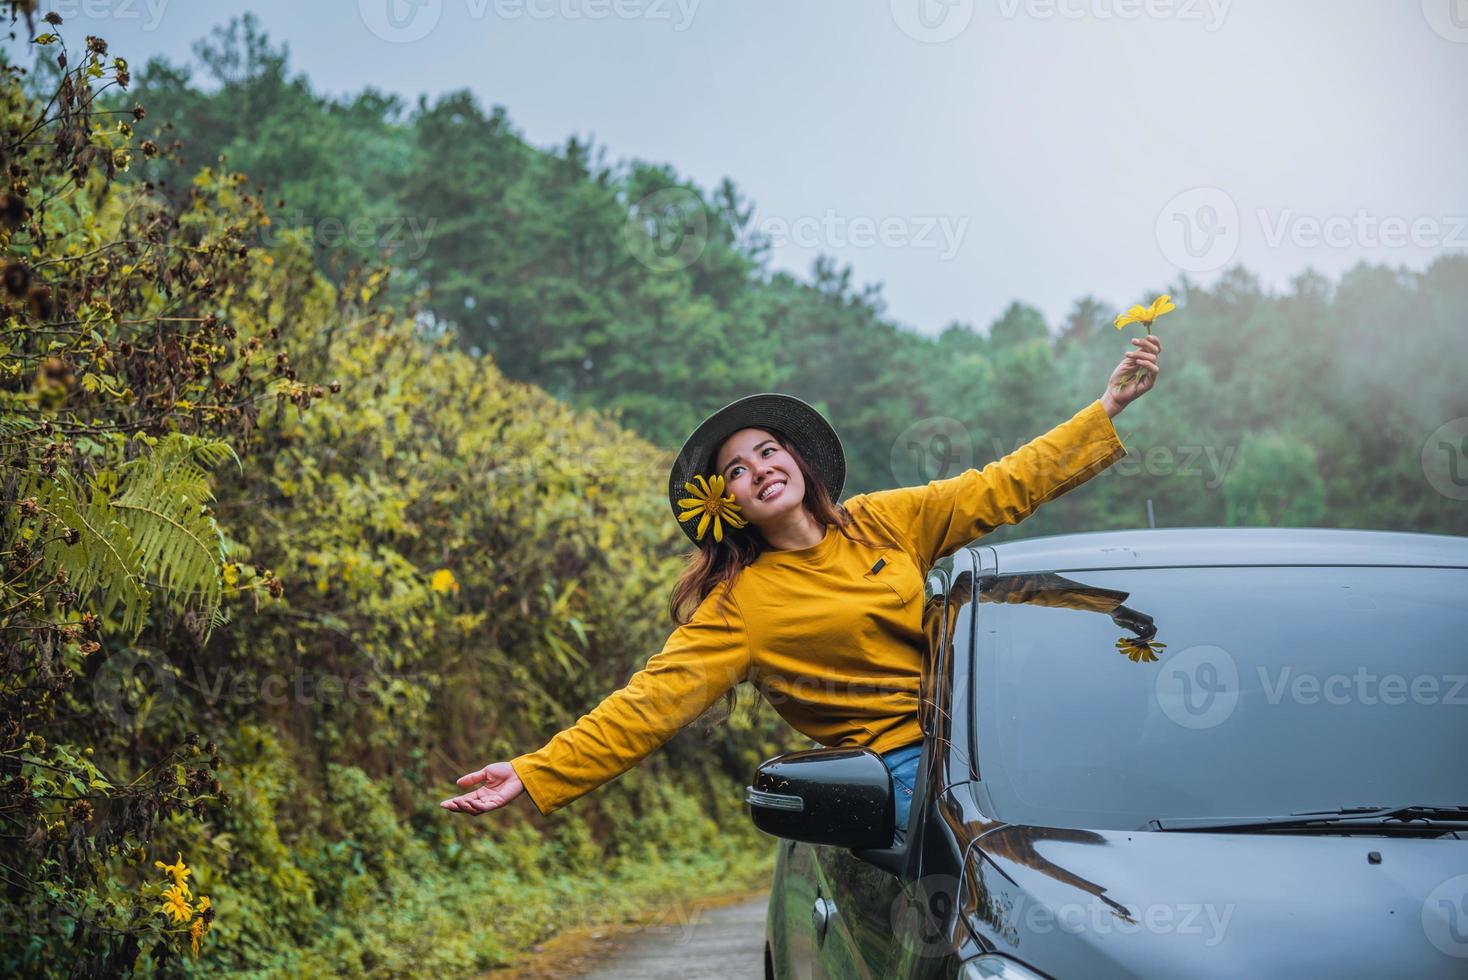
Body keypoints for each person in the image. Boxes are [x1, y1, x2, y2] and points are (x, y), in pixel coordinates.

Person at [440, 334, 1163, 847]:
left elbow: (1000, 486)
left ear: (796, 460)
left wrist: (1103, 412)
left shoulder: (885, 521)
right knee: (995, 880)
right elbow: (647, 706)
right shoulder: (739, 607)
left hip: (999, 739)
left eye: (767, 450)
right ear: (729, 505)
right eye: (736, 471)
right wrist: (536, 771)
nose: (758, 469)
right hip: (904, 776)